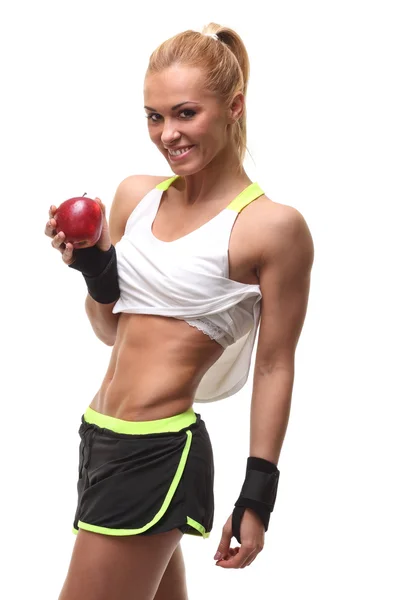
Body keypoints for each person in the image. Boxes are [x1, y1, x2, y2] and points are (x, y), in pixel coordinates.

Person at [45, 22, 314, 600]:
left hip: (154, 451)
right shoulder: (134, 197)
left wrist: (258, 492)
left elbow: (275, 366)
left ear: (233, 107)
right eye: (154, 116)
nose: (167, 134)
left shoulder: (270, 228)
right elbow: (112, 332)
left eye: (185, 113)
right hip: (100, 436)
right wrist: (94, 268)